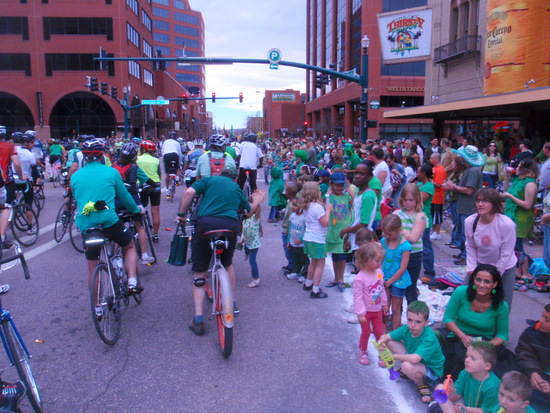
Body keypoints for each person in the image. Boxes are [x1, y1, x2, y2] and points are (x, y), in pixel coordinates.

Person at [175, 165, 265, 335]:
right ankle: (231, 301)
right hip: (229, 228)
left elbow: (188, 193)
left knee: (199, 272)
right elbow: (248, 212)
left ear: (219, 174)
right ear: (236, 178)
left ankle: (199, 319)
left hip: (205, 226)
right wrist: (257, 201)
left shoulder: (208, 180)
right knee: (227, 263)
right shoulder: (236, 188)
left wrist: (181, 213)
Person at [71, 138, 143, 300]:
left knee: (92, 268)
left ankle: (97, 308)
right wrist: (136, 210)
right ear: (103, 156)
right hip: (108, 221)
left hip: (87, 225)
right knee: (129, 245)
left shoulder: (76, 176)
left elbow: (78, 199)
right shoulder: (111, 172)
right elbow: (125, 197)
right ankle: (132, 282)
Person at [442, 264, 509, 380]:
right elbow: (448, 318)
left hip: (485, 342)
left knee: (500, 370)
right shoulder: (461, 292)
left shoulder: (501, 305)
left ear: (495, 284)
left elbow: (502, 335)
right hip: (459, 338)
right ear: (473, 280)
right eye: (478, 280)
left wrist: (486, 346)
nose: (481, 285)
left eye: (487, 282)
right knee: (457, 362)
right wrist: (463, 336)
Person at [378, 300, 445, 404]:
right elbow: (386, 336)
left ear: (426, 323)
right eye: (410, 320)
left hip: (433, 371)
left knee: (406, 365)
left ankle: (422, 384)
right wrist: (382, 341)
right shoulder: (407, 328)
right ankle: (412, 373)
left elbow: (415, 359)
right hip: (418, 360)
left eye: (418, 322)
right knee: (390, 342)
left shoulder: (429, 337)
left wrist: (394, 356)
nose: (412, 325)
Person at [465, 188, 517, 310]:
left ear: (494, 204)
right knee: (465, 294)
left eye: (485, 201)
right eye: (478, 201)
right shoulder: (470, 221)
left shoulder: (506, 224)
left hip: (505, 267)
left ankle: (497, 328)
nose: (480, 204)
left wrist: (494, 276)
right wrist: (472, 268)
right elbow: (470, 246)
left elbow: (506, 253)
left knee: (502, 303)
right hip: (480, 265)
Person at [112, 142, 158, 265]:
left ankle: (114, 256)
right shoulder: (134, 168)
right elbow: (147, 180)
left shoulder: (113, 167)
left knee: (117, 228)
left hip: (116, 200)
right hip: (131, 199)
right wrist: (155, 185)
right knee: (140, 225)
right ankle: (144, 255)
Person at [429, 341, 501, 413]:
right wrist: (451, 390)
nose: (467, 360)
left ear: (486, 366)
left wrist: (467, 409)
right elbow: (456, 397)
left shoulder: (492, 386)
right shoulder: (465, 373)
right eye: (467, 356)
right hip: (466, 406)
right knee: (440, 387)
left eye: (473, 358)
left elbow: (488, 411)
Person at [443, 145, 484, 266]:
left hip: (468, 207)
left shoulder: (473, 171)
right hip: (463, 206)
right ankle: (463, 254)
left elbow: (469, 190)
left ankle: (467, 257)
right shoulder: (469, 170)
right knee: (463, 232)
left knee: (468, 234)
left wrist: (453, 187)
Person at [503, 158, 539, 281]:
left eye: (518, 167)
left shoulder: (530, 184)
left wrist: (510, 196)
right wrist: (507, 177)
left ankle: (525, 273)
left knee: (518, 246)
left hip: (522, 219)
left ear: (526, 170)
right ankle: (517, 271)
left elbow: (528, 205)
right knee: (513, 246)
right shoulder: (518, 180)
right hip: (513, 216)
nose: (516, 169)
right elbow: (506, 192)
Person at [353, 242, 388, 366]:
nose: (380, 263)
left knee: (379, 332)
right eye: (377, 260)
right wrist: (360, 313)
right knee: (366, 332)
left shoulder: (378, 272)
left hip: (377, 310)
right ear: (366, 260)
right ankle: (363, 351)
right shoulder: (359, 278)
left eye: (380, 260)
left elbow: (381, 288)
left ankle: (382, 353)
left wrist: (384, 303)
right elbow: (357, 297)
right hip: (366, 312)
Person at [393, 184, 427, 304]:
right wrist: (406, 233)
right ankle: (396, 317)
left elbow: (413, 238)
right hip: (398, 254)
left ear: (417, 199)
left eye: (411, 200)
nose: (407, 203)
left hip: (413, 256)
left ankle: (413, 318)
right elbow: (390, 231)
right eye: (405, 200)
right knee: (396, 288)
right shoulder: (397, 213)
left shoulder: (420, 216)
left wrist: (400, 233)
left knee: (410, 289)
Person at [301, 181, 333, 298]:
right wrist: (328, 210)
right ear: (314, 192)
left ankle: (308, 283)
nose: (320, 191)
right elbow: (324, 223)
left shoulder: (307, 205)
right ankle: (315, 290)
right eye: (318, 189)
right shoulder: (317, 207)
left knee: (313, 262)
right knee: (320, 264)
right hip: (317, 238)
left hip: (309, 237)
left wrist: (327, 196)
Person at [515, 303, 550, 408]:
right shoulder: (530, 333)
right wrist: (533, 372)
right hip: (537, 375)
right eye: (542, 316)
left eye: (547, 320)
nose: (541, 321)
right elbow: (524, 354)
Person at [380, 214, 412, 330]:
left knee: (396, 307)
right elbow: (381, 259)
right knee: (385, 306)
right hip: (385, 277)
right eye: (385, 233)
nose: (387, 236)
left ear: (399, 230)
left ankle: (395, 333)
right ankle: (382, 331)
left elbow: (403, 268)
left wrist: (390, 281)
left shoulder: (405, 246)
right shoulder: (384, 241)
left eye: (390, 234)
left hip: (398, 280)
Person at [324, 172, 354, 291]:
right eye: (337, 185)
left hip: (343, 231)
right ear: (331, 185)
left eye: (342, 185)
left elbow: (355, 205)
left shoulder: (347, 196)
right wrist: (327, 194)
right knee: (335, 256)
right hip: (332, 231)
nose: (339, 188)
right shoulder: (329, 197)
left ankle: (341, 278)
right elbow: (324, 206)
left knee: (342, 256)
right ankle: (336, 278)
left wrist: (352, 194)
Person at [339, 161, 377, 252]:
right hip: (355, 241)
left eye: (362, 174)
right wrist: (348, 237)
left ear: (369, 177)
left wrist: (345, 231)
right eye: (356, 173)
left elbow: (364, 223)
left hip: (362, 243)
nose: (357, 176)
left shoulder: (367, 196)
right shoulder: (359, 192)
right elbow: (355, 218)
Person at [0, 132, 23, 244]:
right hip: (5, 181)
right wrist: (21, 176)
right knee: (5, 207)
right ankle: (2, 237)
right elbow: (17, 164)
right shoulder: (9, 146)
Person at [137, 140, 161, 243]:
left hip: (141, 186)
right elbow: (159, 174)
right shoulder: (156, 160)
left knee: (140, 210)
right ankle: (155, 234)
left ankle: (140, 233)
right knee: (155, 211)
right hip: (155, 185)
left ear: (142, 149)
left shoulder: (137, 159)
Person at [417, 163, 436, 283]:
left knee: (425, 246)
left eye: (418, 172)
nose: (416, 174)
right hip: (415, 218)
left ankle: (430, 272)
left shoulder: (429, 186)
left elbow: (417, 200)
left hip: (424, 219)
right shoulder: (419, 184)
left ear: (423, 174)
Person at [286, 198, 309, 283]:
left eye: (295, 205)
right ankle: (296, 272)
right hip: (293, 243)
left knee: (304, 260)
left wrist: (301, 239)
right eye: (293, 204)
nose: (293, 207)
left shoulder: (305, 217)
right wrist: (288, 241)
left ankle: (304, 274)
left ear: (301, 206)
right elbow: (290, 228)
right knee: (296, 259)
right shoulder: (292, 216)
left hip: (301, 244)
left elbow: (307, 230)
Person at [240, 200, 262, 288]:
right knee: (246, 249)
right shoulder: (244, 221)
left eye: (251, 209)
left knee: (252, 261)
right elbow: (244, 232)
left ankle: (256, 278)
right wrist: (242, 240)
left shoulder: (255, 219)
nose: (248, 212)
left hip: (254, 244)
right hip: (247, 242)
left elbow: (258, 211)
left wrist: (258, 202)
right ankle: (246, 254)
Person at [281, 182, 299, 275]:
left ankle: (292, 266)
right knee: (288, 249)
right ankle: (290, 264)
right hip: (287, 229)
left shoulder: (293, 205)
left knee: (288, 249)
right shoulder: (291, 202)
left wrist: (288, 230)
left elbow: (291, 219)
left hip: (287, 230)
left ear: (287, 193)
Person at [429, 153, 447, 240]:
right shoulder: (434, 168)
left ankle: (437, 232)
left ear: (437, 160)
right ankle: (433, 230)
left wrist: (429, 182)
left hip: (438, 196)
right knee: (433, 214)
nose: (430, 159)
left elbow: (439, 184)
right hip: (433, 196)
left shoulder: (440, 170)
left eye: (432, 158)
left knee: (437, 215)